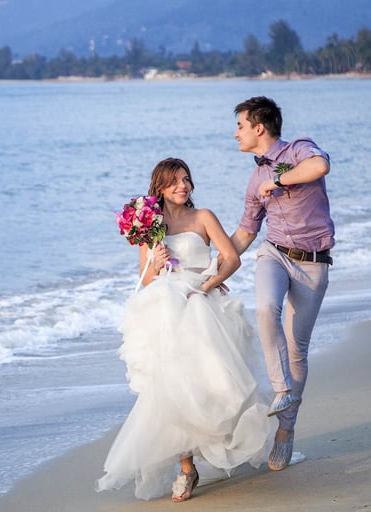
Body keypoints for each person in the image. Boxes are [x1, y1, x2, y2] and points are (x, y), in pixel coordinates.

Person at [95, 157, 274, 502]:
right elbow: (145, 279)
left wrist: (208, 284)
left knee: (211, 382)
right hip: (166, 307)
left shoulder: (203, 217)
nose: (183, 186)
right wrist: (157, 262)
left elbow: (231, 258)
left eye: (187, 180)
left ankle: (221, 443)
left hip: (201, 300)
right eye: (175, 181)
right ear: (159, 187)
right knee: (172, 385)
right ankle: (187, 468)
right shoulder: (151, 226)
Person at [229, 96, 334, 472]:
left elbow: (321, 165)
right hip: (274, 253)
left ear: (259, 127)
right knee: (264, 308)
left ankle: (285, 431)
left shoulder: (299, 149)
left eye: (240, 125)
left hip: (314, 263)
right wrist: (214, 269)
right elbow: (245, 233)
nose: (236, 133)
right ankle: (282, 388)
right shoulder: (254, 177)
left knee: (297, 351)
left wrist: (279, 179)